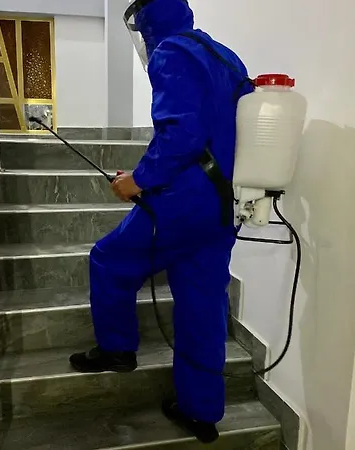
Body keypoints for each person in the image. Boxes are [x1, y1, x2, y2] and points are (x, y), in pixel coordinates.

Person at [70, 0, 252, 444]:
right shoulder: (226, 57)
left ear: (148, 21)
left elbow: (181, 136)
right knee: (203, 305)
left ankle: (117, 349)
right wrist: (146, 176)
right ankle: (200, 412)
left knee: (109, 260)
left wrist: (137, 181)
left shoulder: (171, 51)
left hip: (183, 202)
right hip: (224, 205)